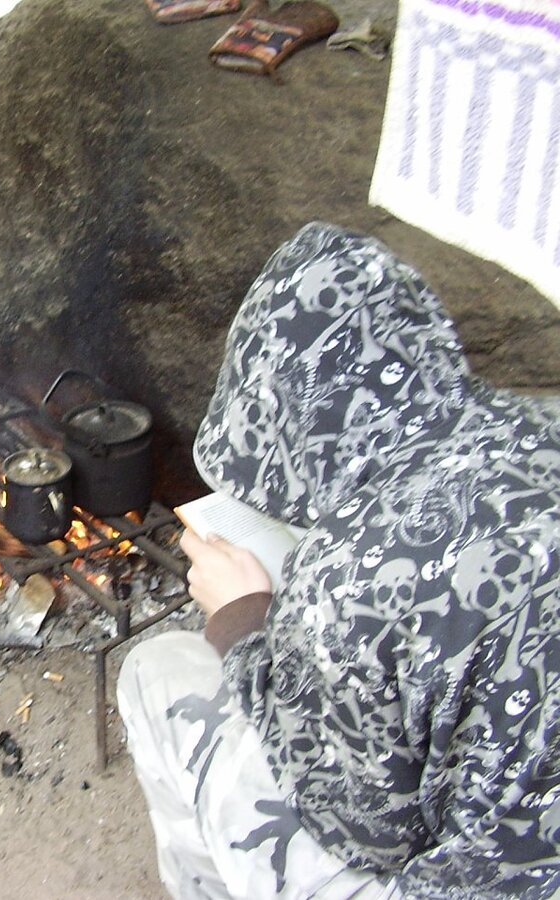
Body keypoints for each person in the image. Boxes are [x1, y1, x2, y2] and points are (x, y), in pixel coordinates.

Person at [117, 222, 560, 898]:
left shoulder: (355, 577)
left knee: (152, 670)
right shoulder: (547, 422)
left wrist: (243, 625)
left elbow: (365, 829)